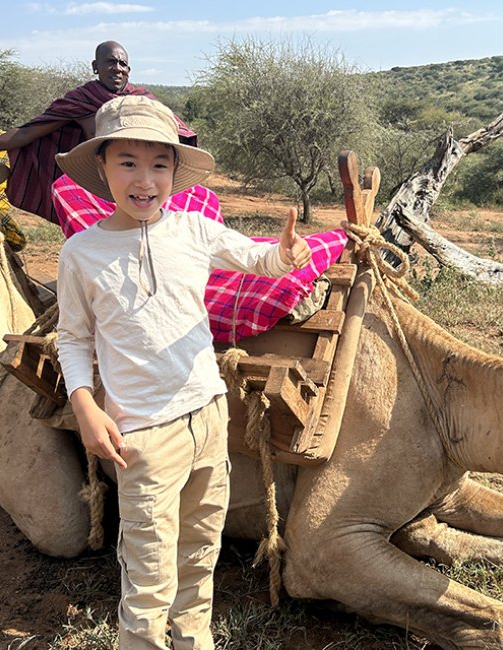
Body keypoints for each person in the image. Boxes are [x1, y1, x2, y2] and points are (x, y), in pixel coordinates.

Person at [54, 95, 312, 650]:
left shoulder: (195, 230)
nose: (144, 180)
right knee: (148, 579)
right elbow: (72, 338)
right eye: (128, 162)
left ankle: (196, 642)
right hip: (143, 435)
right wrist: (85, 406)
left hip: (209, 417)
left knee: (198, 555)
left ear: (175, 169)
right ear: (101, 167)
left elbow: (258, 258)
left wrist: (286, 255)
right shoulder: (82, 252)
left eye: (159, 164)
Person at [0, 40, 194, 223]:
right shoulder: (82, 100)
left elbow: (175, 133)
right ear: (95, 66)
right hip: (100, 187)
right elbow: (26, 134)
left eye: (123, 64)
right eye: (110, 62)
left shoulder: (143, 100)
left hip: (143, 184)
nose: (117, 68)